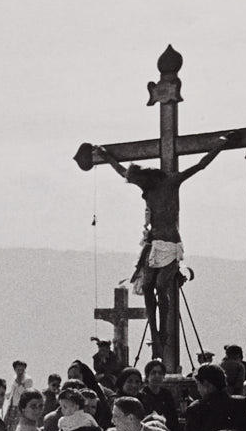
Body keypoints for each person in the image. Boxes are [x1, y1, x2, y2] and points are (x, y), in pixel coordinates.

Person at [95, 137, 230, 356]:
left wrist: (220, 145)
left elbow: (200, 165)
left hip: (169, 243)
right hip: (154, 242)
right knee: (148, 286)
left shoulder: (170, 181)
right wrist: (106, 156)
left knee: (160, 286)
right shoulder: (146, 184)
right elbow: (122, 172)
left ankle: (164, 330)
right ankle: (156, 331)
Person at [182, 363, 246, 431]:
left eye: (198, 384)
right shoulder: (242, 404)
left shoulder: (196, 409)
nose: (198, 389)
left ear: (206, 384)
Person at [139, 359, 180, 431]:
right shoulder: (141, 395)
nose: (157, 376)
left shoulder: (167, 395)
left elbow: (174, 420)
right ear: (147, 376)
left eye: (160, 373)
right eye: (153, 373)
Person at [3, 360, 32, 431]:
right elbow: (13, 391)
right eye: (18, 369)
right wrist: (6, 395)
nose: (20, 371)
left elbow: (25, 393)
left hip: (20, 407)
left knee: (18, 429)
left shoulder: (27, 380)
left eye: (22, 369)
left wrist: (19, 383)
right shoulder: (15, 378)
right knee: (7, 427)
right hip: (12, 405)